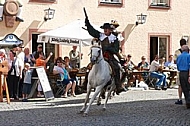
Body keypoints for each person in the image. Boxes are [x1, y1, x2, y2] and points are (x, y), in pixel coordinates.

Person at [85, 18, 123, 95]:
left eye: (107, 29)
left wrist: (108, 48)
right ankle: (86, 83)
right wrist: (88, 24)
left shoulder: (114, 38)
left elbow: (116, 50)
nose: (105, 30)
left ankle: (118, 85)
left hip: (109, 57)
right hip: (100, 56)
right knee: (89, 67)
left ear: (110, 30)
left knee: (116, 67)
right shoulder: (100, 35)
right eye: (104, 29)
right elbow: (92, 31)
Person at [174, 38, 186, 105]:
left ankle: (180, 99)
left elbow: (175, 61)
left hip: (180, 71)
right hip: (187, 71)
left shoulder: (177, 52)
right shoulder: (188, 51)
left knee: (180, 85)